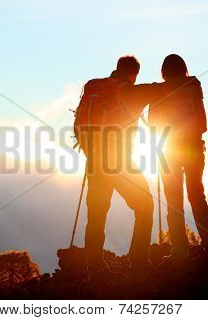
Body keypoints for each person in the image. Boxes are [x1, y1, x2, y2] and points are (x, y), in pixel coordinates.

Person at [75, 56, 154, 276]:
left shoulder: (94, 86)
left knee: (97, 215)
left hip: (94, 160)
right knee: (145, 205)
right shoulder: (129, 91)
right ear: (133, 74)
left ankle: (95, 269)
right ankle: (139, 262)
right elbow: (155, 90)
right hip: (120, 162)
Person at [147, 54, 208, 260]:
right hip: (194, 148)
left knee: (173, 200)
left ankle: (179, 250)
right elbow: (203, 124)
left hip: (168, 151)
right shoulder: (193, 85)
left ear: (164, 72)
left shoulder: (158, 91)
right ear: (183, 68)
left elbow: (152, 126)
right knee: (197, 194)